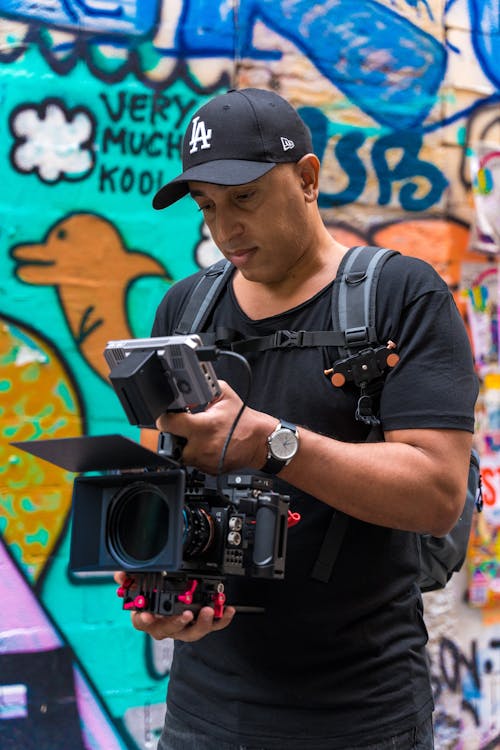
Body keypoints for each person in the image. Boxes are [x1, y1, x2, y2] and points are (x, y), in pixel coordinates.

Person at [121, 88, 478, 749]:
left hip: (359, 716)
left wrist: (271, 444)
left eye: (245, 198)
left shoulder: (403, 295)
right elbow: (167, 485)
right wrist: (160, 578)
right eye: (207, 206)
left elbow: (436, 494)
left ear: (307, 178)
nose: (224, 228)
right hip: (202, 716)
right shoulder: (184, 312)